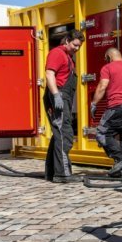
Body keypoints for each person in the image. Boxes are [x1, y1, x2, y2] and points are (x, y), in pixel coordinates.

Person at [90, 47, 122, 177]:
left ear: (108, 57)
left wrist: (94, 103)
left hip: (116, 107)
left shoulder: (108, 68)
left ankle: (120, 159)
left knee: (101, 133)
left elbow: (102, 86)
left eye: (105, 59)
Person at [44, 30, 84, 183]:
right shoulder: (57, 53)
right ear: (67, 40)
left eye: (79, 46)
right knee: (64, 134)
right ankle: (62, 174)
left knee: (59, 135)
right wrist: (55, 95)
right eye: (75, 45)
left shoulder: (68, 57)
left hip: (63, 98)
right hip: (58, 96)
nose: (77, 49)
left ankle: (51, 172)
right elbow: (49, 74)